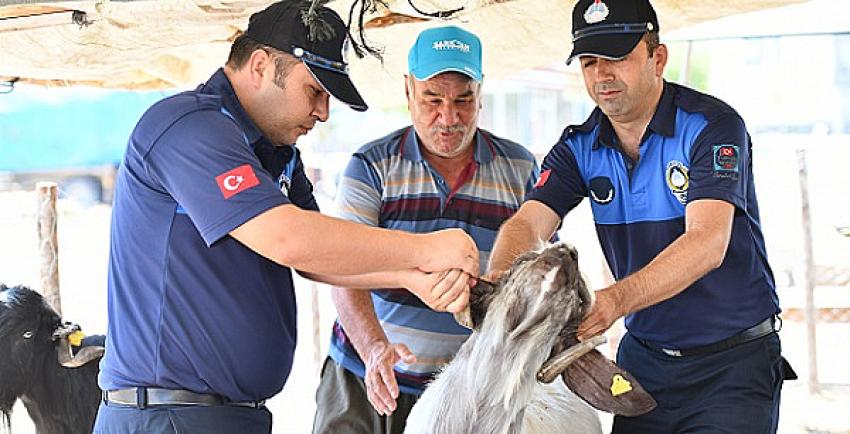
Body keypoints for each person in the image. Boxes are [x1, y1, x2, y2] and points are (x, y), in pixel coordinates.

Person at [93, 2, 480, 433]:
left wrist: (409, 277)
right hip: (168, 414)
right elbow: (288, 238)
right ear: (260, 65)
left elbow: (314, 255)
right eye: (314, 90)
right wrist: (427, 249)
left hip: (229, 414)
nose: (323, 112)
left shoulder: (274, 155)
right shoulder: (189, 128)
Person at [487, 0, 795, 432]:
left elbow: (708, 242)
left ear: (658, 57)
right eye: (589, 61)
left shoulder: (712, 126)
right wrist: (498, 283)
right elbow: (528, 223)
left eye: (617, 57)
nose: (602, 74)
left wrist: (613, 301)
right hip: (644, 364)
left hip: (733, 366)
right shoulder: (579, 145)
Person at [311, 26, 540, 434]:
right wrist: (375, 348)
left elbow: (535, 278)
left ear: (481, 93)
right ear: (408, 90)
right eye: (432, 99)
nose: (448, 118)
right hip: (365, 374)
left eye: (463, 100)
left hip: (468, 391)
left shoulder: (520, 168)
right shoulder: (372, 166)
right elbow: (342, 271)